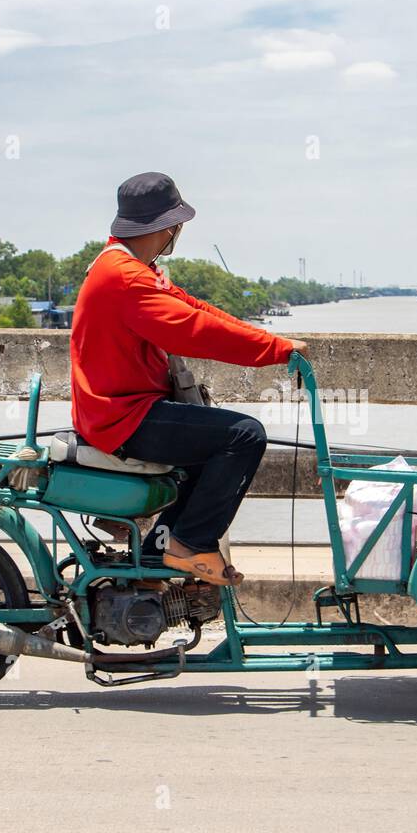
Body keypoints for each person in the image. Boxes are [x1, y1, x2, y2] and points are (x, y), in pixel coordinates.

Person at [69, 172, 308, 585]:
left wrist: (273, 340)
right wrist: (274, 351)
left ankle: (150, 566)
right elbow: (192, 330)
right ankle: (191, 544)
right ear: (168, 227)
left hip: (123, 409)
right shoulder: (125, 277)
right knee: (244, 435)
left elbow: (195, 308)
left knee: (206, 455)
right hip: (123, 416)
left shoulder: (131, 267)